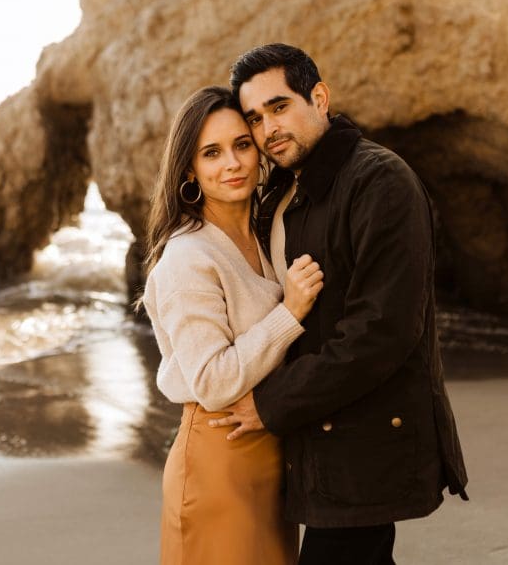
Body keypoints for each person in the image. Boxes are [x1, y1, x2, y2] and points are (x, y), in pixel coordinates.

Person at [210, 43, 469, 564]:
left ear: (319, 99)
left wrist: (272, 403)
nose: (268, 129)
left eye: (279, 107)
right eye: (255, 118)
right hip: (314, 440)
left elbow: (382, 332)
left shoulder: (380, 182)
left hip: (365, 444)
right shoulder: (283, 192)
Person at [141, 85, 325, 565]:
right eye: (212, 153)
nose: (232, 163)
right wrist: (290, 313)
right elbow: (212, 380)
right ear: (189, 169)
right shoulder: (188, 257)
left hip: (271, 455)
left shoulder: (267, 234)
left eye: (242, 145)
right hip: (218, 461)